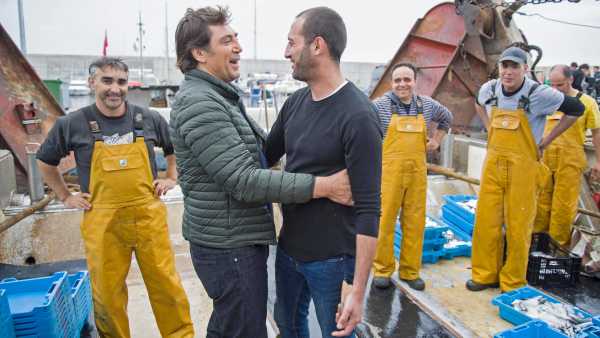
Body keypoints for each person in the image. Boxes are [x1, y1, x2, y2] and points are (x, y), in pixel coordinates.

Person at [171, 6, 353, 338]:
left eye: (236, 38)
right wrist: (324, 186)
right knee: (242, 329)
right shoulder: (201, 103)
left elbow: (261, 153)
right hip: (229, 249)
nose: (239, 47)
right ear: (199, 52)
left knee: (232, 325)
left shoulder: (220, 96)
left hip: (233, 240)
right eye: (227, 40)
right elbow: (244, 180)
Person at [36, 57, 194, 338]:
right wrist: (64, 195)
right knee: (107, 296)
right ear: (91, 83)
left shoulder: (149, 119)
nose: (115, 89)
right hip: (103, 222)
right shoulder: (72, 123)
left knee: (167, 288)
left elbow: (175, 149)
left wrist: (171, 177)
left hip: (148, 219)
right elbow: (45, 161)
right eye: (107, 81)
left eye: (121, 82)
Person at [266, 7, 382, 338]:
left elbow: (369, 209)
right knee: (289, 326)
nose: (286, 52)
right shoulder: (295, 104)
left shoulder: (358, 116)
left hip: (333, 262)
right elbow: (263, 157)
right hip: (288, 251)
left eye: (292, 42)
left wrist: (357, 290)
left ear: (317, 45)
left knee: (336, 333)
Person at [467, 47, 584, 293]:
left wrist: (548, 139)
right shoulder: (489, 89)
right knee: (486, 221)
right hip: (493, 165)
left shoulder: (540, 94)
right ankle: (484, 274)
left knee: (519, 225)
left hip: (524, 168)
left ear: (525, 69)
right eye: (504, 66)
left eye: (514, 67)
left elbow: (576, 109)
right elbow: (478, 103)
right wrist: (489, 127)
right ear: (499, 68)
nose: (508, 72)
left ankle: (512, 281)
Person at [371, 62, 453, 291]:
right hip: (389, 175)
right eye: (397, 80)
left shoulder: (426, 105)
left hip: (417, 175)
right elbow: (363, 128)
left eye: (407, 79)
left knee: (415, 222)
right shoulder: (379, 106)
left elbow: (447, 118)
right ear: (391, 83)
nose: (402, 84)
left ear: (415, 82)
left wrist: (436, 140)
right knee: (385, 221)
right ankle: (382, 270)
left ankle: (410, 271)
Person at [534, 64, 600, 246]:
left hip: (570, 159)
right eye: (552, 85)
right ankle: (536, 243)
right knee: (540, 201)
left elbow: (596, 133)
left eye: (560, 85)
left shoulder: (587, 102)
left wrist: (599, 162)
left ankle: (556, 248)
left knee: (563, 206)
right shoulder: (546, 100)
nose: (555, 90)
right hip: (544, 158)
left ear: (570, 80)